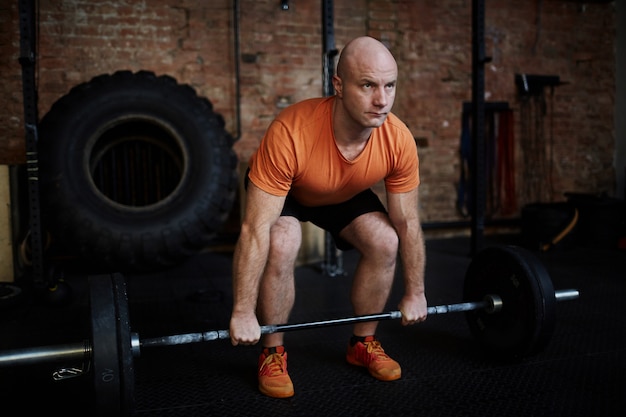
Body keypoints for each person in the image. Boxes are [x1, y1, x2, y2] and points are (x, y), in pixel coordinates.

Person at [229, 36, 428, 398]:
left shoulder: (397, 139)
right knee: (281, 240)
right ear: (338, 85)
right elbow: (254, 228)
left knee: (386, 239)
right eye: (367, 85)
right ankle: (272, 351)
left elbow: (407, 222)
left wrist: (416, 292)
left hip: (343, 192)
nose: (382, 100)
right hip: (288, 190)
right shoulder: (291, 132)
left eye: (389, 86)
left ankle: (362, 344)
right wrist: (243, 311)